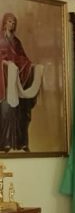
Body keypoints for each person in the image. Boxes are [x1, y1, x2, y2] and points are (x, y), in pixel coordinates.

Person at [0, 13, 42, 153]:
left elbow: (23, 58)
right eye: (9, 21)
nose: (11, 24)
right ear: (4, 23)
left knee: (22, 112)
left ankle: (21, 143)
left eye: (13, 22)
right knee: (6, 111)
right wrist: (6, 63)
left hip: (18, 81)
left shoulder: (17, 42)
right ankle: (5, 143)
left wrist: (31, 66)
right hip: (4, 82)